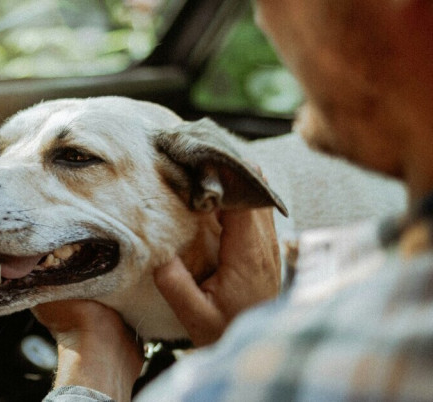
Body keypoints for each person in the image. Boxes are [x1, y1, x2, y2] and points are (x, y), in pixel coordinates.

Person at [34, 0, 433, 400]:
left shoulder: (255, 380)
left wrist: (89, 371)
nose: (262, 18)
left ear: (405, 12)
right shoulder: (383, 259)